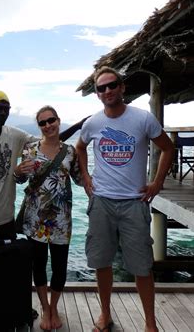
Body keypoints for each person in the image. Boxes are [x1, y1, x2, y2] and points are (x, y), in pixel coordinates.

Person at [75, 66, 174, 332]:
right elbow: (79, 148)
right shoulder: (93, 123)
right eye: (101, 88)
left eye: (112, 85)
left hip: (134, 203)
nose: (107, 91)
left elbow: (167, 148)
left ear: (122, 87)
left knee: (142, 266)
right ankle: (104, 314)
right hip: (101, 202)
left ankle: (150, 323)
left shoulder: (143, 119)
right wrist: (86, 176)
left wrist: (157, 181)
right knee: (102, 262)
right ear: (97, 94)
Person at [0, 90, 84, 245]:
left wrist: (78, 126)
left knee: (6, 263)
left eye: (7, 109)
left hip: (5, 218)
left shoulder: (14, 135)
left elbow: (48, 142)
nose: (3, 112)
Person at [14, 105, 82, 330]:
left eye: (51, 120)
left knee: (60, 267)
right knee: (39, 265)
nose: (48, 125)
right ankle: (45, 308)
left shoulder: (70, 151)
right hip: (36, 219)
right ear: (39, 126)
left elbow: (80, 180)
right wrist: (17, 172)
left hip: (62, 219)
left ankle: (54, 306)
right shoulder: (30, 149)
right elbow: (19, 180)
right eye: (42, 123)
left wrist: (87, 161)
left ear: (58, 120)